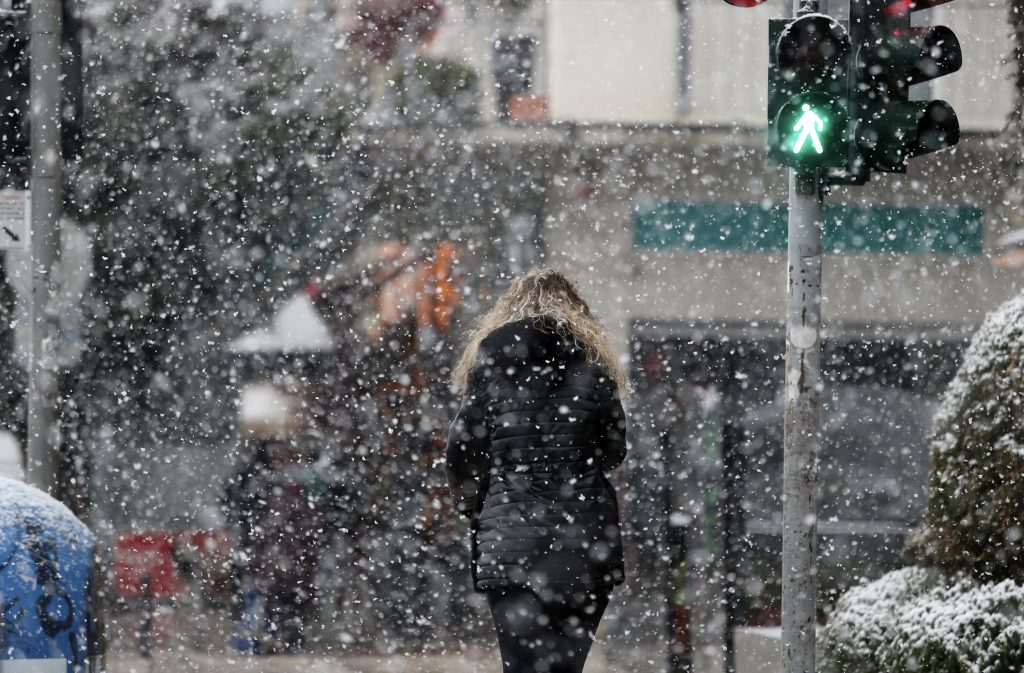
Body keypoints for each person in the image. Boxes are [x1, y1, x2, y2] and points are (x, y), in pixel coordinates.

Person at [446, 268, 629, 673]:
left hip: (511, 544)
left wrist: (474, 504)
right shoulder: (592, 365)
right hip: (582, 544)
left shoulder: (491, 365)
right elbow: (615, 450)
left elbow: (463, 449)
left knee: (522, 664)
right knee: (567, 666)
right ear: (577, 313)